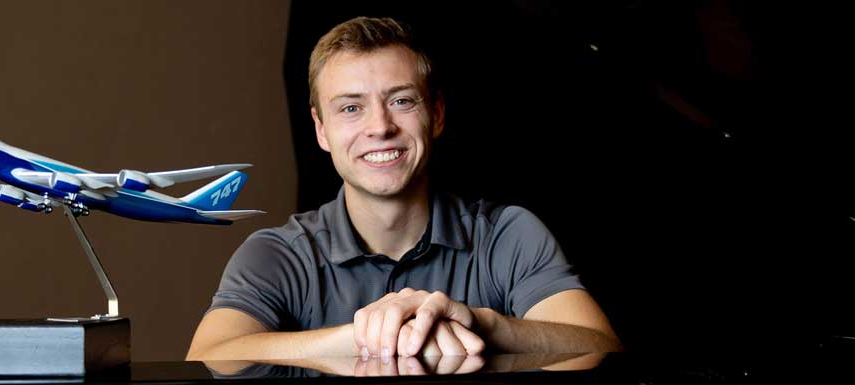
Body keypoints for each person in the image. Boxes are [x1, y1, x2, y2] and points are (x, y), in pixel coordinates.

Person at [187, 16, 620, 365]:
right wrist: (360, 337)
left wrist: (483, 324)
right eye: (351, 108)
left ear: (436, 114)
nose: (380, 127)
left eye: (401, 101)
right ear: (321, 131)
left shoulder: (507, 233)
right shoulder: (276, 253)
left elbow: (600, 345)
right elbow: (208, 355)